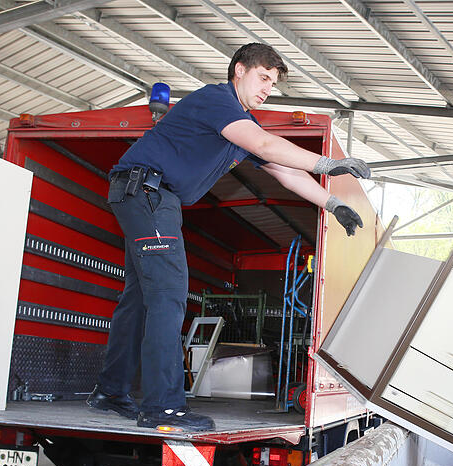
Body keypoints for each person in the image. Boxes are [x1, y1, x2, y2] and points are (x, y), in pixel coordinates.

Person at [86, 43, 370, 431]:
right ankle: (162, 408)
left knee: (140, 298)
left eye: (273, 82)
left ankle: (110, 392)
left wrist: (333, 202)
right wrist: (330, 163)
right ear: (239, 69)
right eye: (263, 77)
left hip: (145, 196)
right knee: (169, 294)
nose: (268, 88)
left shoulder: (238, 124)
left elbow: (283, 169)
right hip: (147, 192)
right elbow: (266, 144)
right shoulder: (219, 101)